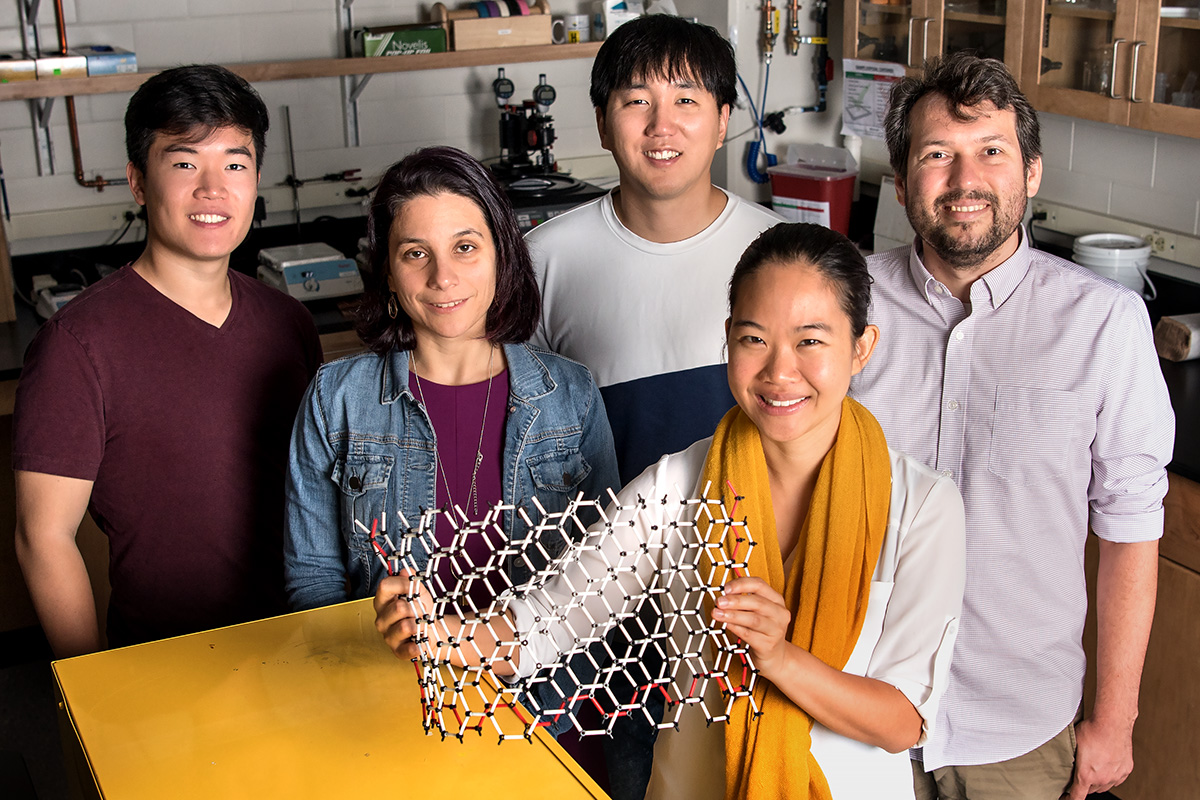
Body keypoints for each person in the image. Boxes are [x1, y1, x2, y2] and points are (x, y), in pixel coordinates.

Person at [376, 222, 967, 800]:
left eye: (811, 340)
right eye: (753, 339)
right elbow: (544, 625)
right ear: (728, 339)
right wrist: (439, 634)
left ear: (861, 347)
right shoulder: (678, 484)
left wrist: (779, 659)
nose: (779, 371)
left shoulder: (920, 507)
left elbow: (902, 723)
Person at [851, 52, 1174, 800]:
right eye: (937, 155)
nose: (965, 181)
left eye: (991, 152)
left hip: (1018, 732)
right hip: (858, 709)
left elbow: (1130, 529)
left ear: (1030, 172)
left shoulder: (1106, 323)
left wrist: (1114, 720)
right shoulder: (844, 306)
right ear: (902, 183)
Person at [284, 148, 618, 734]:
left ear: (501, 254)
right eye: (416, 254)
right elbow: (311, 584)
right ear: (387, 270)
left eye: (465, 247)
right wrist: (373, 637)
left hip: (545, 715)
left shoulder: (571, 394)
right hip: (387, 713)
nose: (443, 278)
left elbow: (606, 576)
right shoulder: (336, 400)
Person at [13, 65, 323, 657]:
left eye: (235, 163)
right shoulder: (77, 344)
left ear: (257, 179)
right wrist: (94, 684)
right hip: (163, 662)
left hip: (300, 646)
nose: (213, 189)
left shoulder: (289, 324)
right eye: (184, 163)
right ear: (137, 181)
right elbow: (42, 537)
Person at [526, 14, 783, 486]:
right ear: (603, 124)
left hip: (753, 548)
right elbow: (518, 438)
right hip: (599, 552)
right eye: (637, 101)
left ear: (723, 121)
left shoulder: (783, 254)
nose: (661, 126)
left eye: (686, 100)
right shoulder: (542, 260)